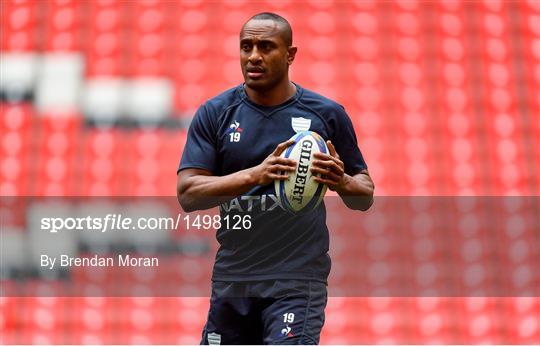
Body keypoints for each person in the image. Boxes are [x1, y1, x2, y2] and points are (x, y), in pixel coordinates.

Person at [177, 12, 374, 345]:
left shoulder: (325, 114)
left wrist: (341, 181)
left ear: (290, 54)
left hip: (296, 279)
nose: (254, 56)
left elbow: (364, 192)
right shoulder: (216, 113)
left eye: (266, 46)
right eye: (246, 46)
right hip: (234, 276)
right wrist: (256, 175)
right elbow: (188, 193)